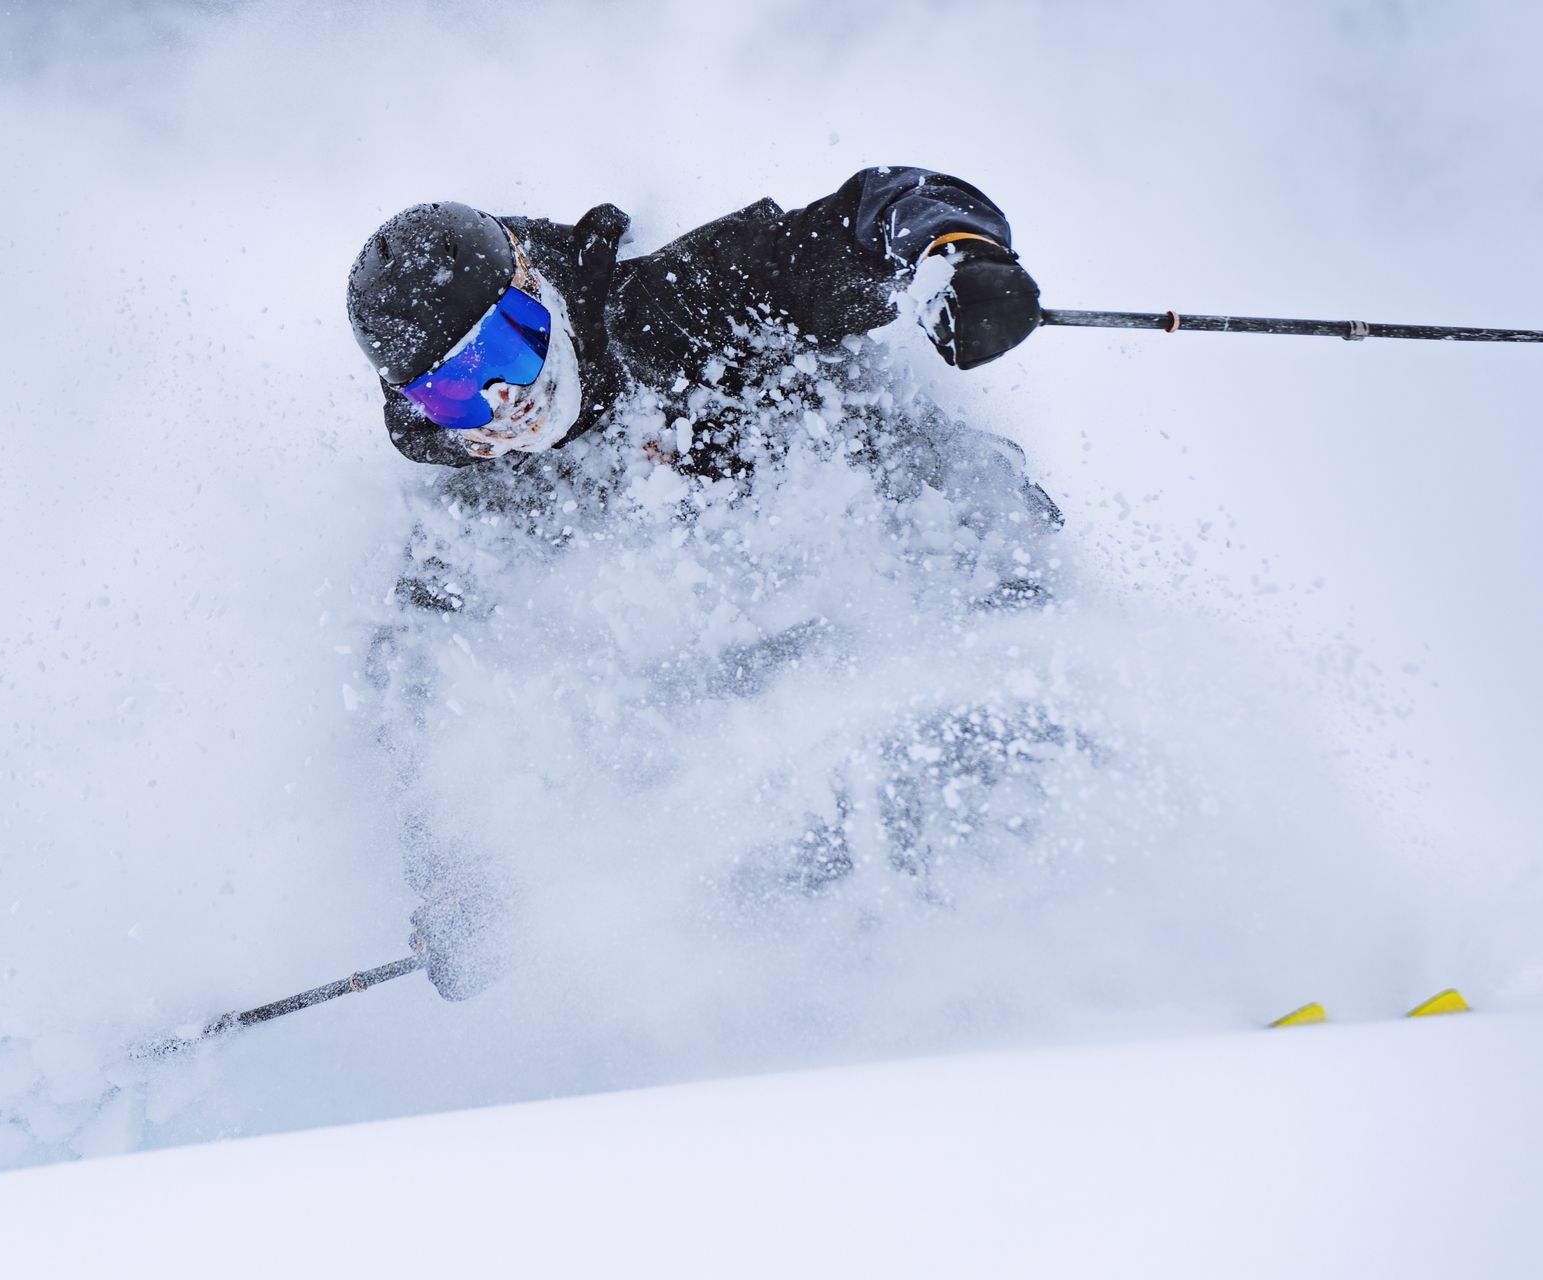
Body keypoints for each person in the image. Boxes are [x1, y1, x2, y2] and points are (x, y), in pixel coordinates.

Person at [346, 168, 1068, 1000]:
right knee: (692, 777)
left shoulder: (692, 302)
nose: (503, 403)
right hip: (794, 718)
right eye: (454, 395)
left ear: (533, 284)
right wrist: (460, 877)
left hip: (954, 589)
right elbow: (418, 696)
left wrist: (955, 256)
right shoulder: (483, 514)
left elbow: (872, 212)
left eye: (505, 351)